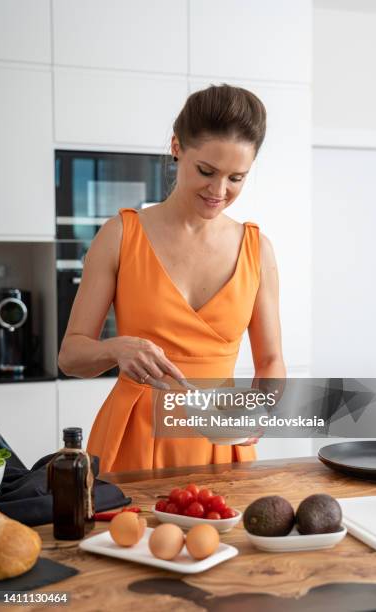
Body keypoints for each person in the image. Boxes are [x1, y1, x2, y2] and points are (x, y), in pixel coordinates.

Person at [58, 83, 286, 472]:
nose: (219, 191)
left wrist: (262, 410)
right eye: (206, 171)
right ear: (177, 147)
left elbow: (270, 359)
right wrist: (117, 349)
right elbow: (71, 356)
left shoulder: (257, 249)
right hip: (132, 440)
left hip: (220, 445)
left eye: (236, 178)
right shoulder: (120, 235)